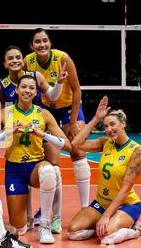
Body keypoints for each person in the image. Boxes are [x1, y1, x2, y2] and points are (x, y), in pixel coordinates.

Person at [0, 75, 71, 243]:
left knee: (48, 170)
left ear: (36, 92)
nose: (27, 91)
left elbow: (67, 145)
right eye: (23, 87)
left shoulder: (43, 114)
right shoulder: (5, 113)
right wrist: (8, 133)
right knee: (18, 229)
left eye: (31, 88)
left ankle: (45, 225)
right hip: (14, 170)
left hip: (35, 167)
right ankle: (27, 219)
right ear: (16, 90)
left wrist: (43, 134)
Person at [24, 28, 91, 223]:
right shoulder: (28, 61)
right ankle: (52, 214)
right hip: (48, 109)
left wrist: (72, 122)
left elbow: (77, 90)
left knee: (77, 151)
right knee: (52, 160)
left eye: (45, 40)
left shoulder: (63, 58)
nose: (42, 45)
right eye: (37, 42)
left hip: (70, 107)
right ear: (31, 46)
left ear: (50, 42)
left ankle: (85, 208)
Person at [0, 45, 65, 231]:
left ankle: (53, 218)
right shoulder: (2, 85)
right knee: (18, 227)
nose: (15, 61)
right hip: (18, 131)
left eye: (18, 57)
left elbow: (52, 96)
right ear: (5, 63)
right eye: (10, 58)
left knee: (52, 170)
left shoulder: (35, 76)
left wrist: (59, 82)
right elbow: (1, 111)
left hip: (39, 127)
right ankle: (26, 217)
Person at [68, 96, 141, 245]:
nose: (109, 129)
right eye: (106, 126)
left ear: (122, 124)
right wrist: (96, 119)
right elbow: (76, 144)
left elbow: (125, 189)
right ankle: (106, 228)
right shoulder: (105, 143)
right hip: (101, 203)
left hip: (127, 205)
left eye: (112, 124)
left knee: (106, 238)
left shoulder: (136, 151)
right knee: (73, 231)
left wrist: (106, 216)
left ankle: (135, 229)